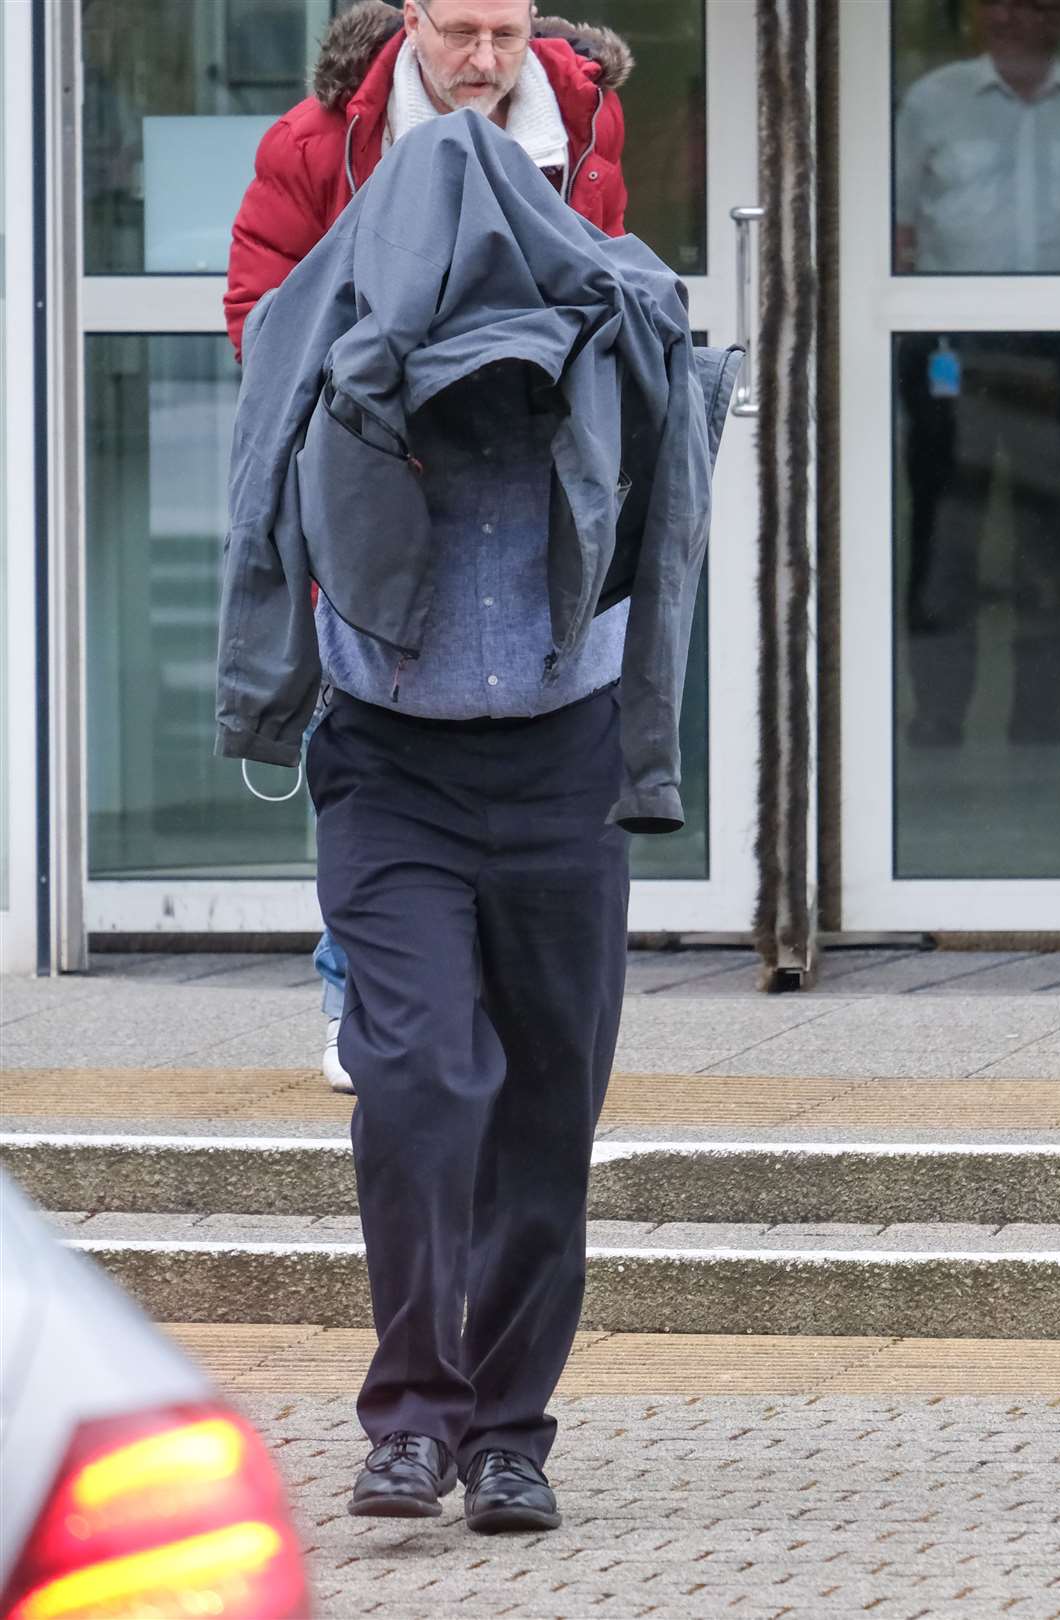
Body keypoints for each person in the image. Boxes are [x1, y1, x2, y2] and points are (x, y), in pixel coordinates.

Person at [216, 101, 740, 1534]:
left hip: (561, 769)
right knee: (421, 1082)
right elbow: (267, 462)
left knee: (547, 1114)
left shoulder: (606, 319)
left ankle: (510, 1436)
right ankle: (411, 1416)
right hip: (391, 771)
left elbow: (676, 460)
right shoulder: (345, 333)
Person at [225, 0, 632, 1089]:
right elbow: (265, 312)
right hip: (378, 480)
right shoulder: (321, 140)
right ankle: (353, 987)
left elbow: (594, 288)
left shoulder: (583, 114)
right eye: (459, 32)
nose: (485, 60)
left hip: (519, 489)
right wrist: (362, 428)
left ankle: (451, 1006)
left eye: (504, 32)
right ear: (410, 20)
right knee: (372, 728)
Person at [893, 0, 1060, 747]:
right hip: (950, 345)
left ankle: (1040, 715)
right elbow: (897, 231)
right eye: (997, 3)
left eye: (1032, 3)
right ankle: (938, 714)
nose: (1012, 17)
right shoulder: (934, 101)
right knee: (945, 529)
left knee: (1053, 533)